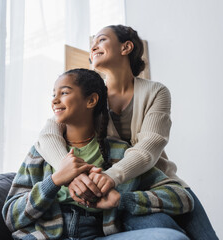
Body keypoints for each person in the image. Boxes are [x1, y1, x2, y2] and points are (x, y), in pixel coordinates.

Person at [35, 25, 218, 240]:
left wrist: (111, 176)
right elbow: (48, 135)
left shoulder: (156, 91)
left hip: (156, 185)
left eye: (101, 40)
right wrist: (69, 174)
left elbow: (148, 148)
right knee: (170, 234)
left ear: (126, 47)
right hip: (115, 194)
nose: (93, 46)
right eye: (93, 43)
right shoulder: (91, 97)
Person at [2, 68, 192, 240]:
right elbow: (11, 217)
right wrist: (54, 181)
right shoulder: (41, 151)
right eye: (54, 94)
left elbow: (181, 198)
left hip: (97, 235)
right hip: (47, 237)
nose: (54, 100)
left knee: (172, 238)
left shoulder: (119, 152)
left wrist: (123, 200)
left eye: (64, 92)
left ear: (91, 100)